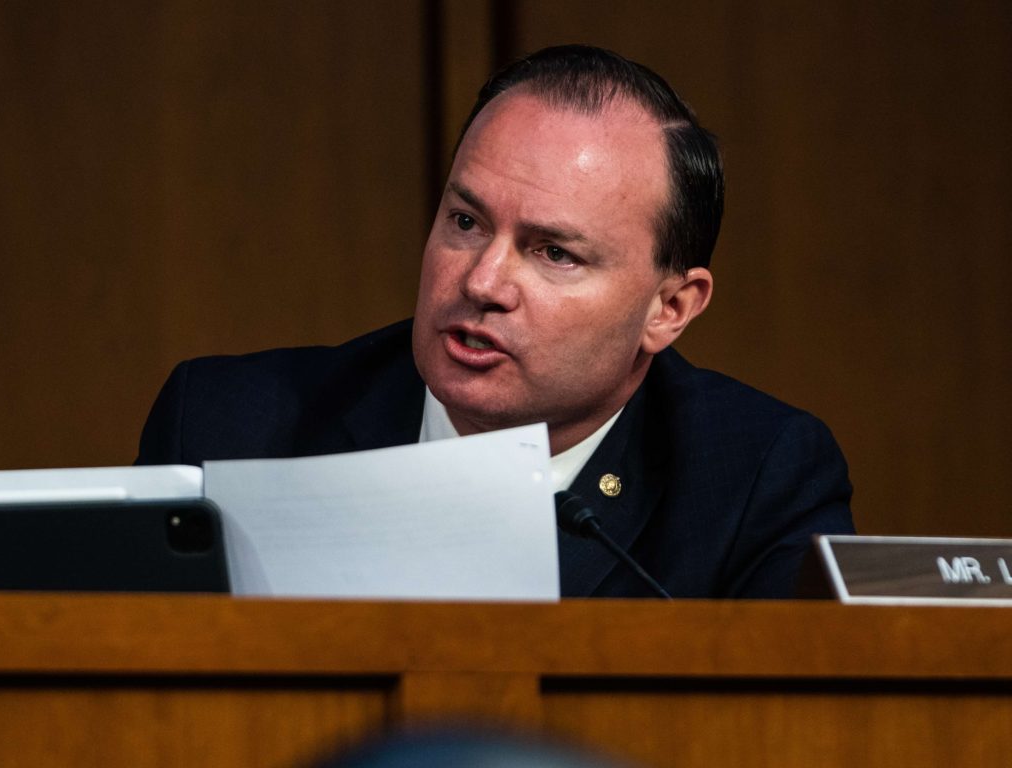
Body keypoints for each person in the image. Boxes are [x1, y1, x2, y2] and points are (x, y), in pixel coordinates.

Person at [137, 45, 854, 598]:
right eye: (465, 221)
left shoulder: (754, 479)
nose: (481, 282)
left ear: (669, 309)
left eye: (554, 254)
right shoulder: (226, 430)